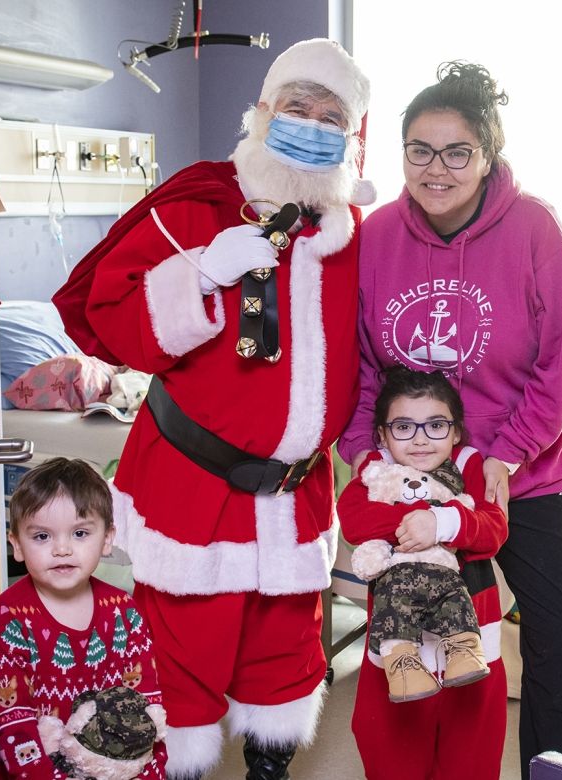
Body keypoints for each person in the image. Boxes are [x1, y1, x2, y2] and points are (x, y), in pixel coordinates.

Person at [52, 38, 372, 780]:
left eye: (332, 117)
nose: (312, 125)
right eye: (298, 107)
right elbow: (99, 315)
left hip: (294, 501)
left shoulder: (354, 237)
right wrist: (197, 273)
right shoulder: (196, 202)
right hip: (193, 492)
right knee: (183, 673)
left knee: (285, 668)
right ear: (262, 111)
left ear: (350, 140)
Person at [337, 61, 562, 778]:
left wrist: (504, 455)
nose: (438, 168)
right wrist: (367, 457)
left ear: (488, 156)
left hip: (526, 477)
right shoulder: (377, 235)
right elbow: (362, 367)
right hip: (411, 478)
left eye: (458, 151)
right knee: (420, 645)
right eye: (419, 149)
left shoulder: (538, 231)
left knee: (559, 648)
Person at [338, 366, 509, 779]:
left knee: (470, 756)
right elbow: (355, 521)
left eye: (435, 425)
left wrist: (443, 525)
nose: (419, 439)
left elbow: (493, 529)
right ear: (382, 435)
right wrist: (426, 517)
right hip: (397, 646)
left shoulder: (470, 465)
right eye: (403, 426)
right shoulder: (376, 472)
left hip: (473, 642)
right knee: (391, 751)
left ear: (455, 432)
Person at [0, 457, 167, 779]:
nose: (62, 549)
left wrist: (147, 774)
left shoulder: (123, 612)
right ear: (16, 544)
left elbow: (146, 709)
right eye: (42, 537)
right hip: (41, 770)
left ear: (108, 539)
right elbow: (12, 720)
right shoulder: (11, 616)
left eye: (80, 533)